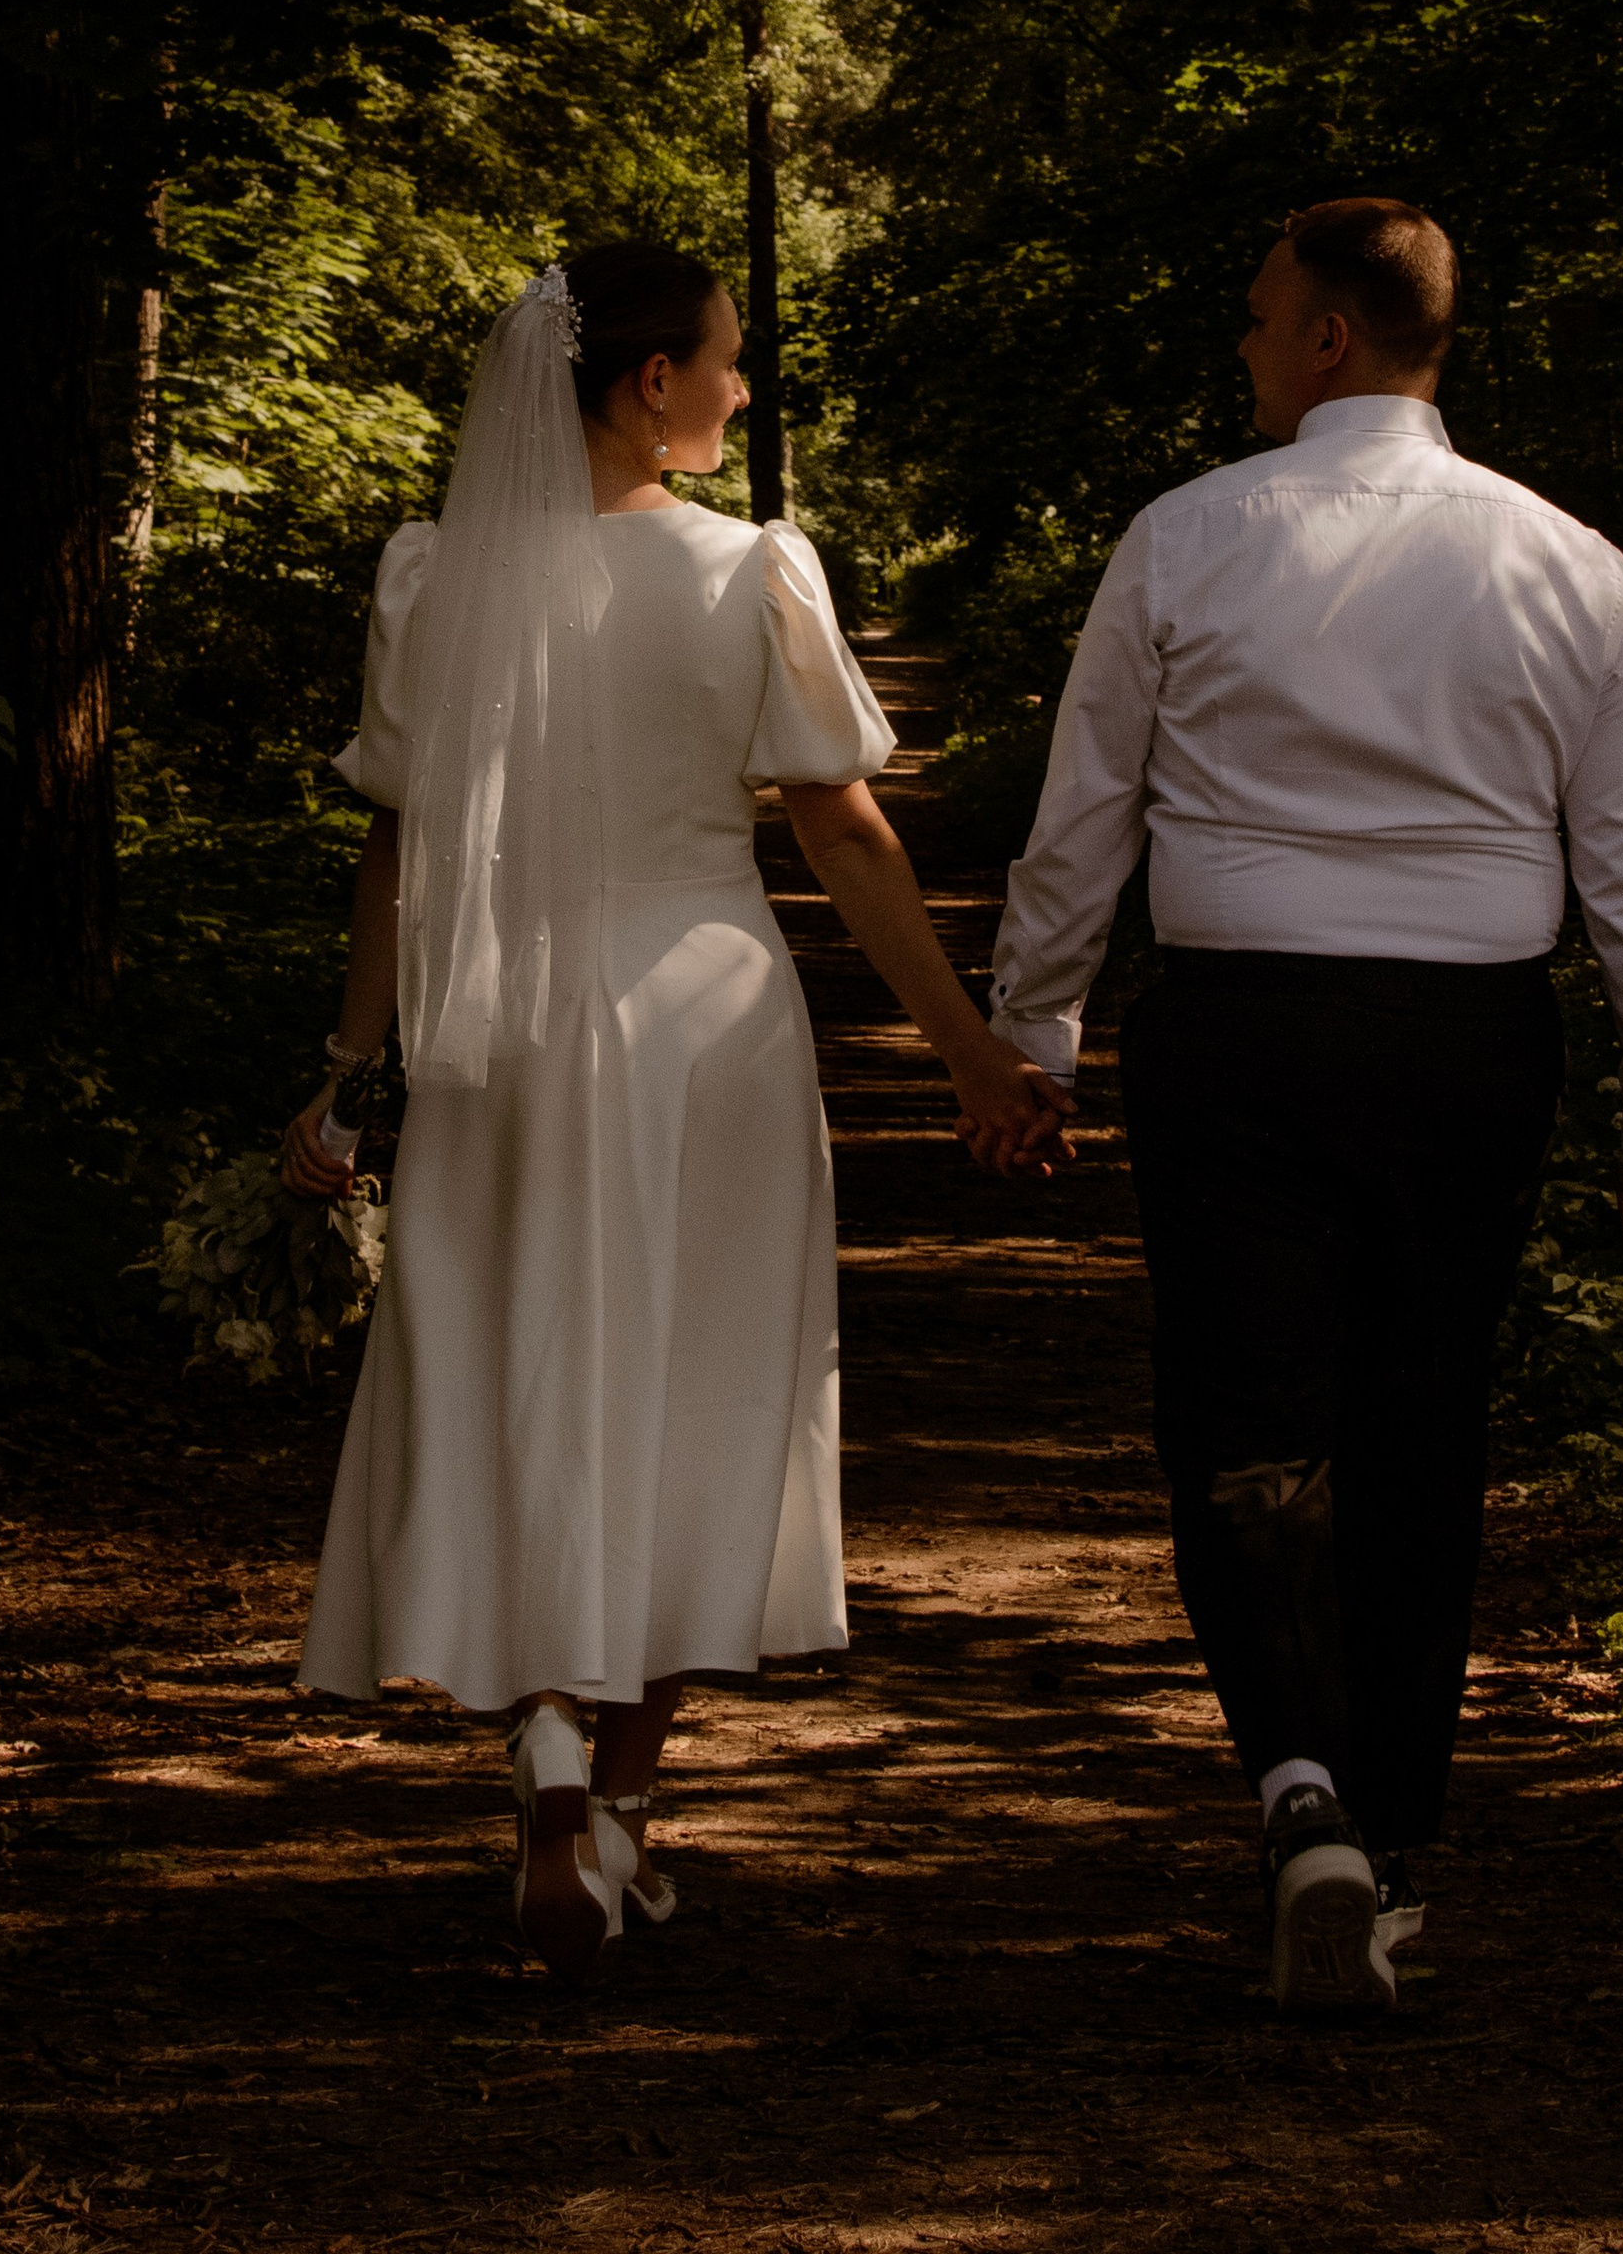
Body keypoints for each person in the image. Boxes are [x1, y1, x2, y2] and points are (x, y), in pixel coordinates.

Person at [282, 241, 1062, 1984]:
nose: (739, 389)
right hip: (707, 1011)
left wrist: (350, 1073)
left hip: (497, 1028)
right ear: (647, 382)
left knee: (523, 1370)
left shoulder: (437, 579)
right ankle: (618, 1804)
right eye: (723, 360)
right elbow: (843, 828)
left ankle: (545, 1726)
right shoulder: (747, 574)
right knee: (711, 1384)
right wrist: (965, 1045)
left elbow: (398, 853)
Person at [973, 196, 1623, 2012]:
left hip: (1242, 1035)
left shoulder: (1187, 537)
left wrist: (1036, 1040)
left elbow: (1089, 818)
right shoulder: (1571, 561)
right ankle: (1392, 1850)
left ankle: (1295, 1784)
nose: (1241, 348)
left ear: (1324, 337)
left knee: (1243, 1416)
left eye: (1254, 314)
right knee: (1420, 1425)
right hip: (1471, 1043)